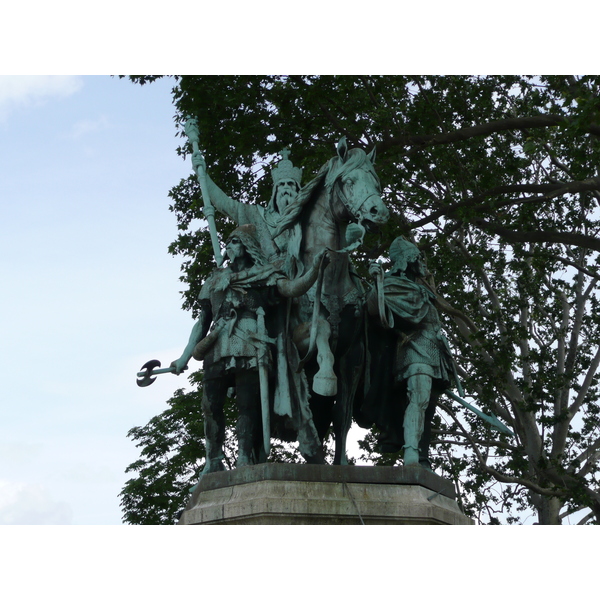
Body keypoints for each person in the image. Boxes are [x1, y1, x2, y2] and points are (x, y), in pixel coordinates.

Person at [171, 224, 327, 475]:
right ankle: (213, 458)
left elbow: (292, 288)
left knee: (247, 404)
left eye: (234, 242)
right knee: (210, 405)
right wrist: (184, 357)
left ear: (246, 246)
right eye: (227, 244)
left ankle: (244, 456)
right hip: (217, 345)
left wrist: (315, 270)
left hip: (251, 344)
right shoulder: (214, 279)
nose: (229, 248)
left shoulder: (264, 275)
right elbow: (202, 322)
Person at [360, 237, 458, 468]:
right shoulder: (393, 283)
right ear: (407, 260)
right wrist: (377, 283)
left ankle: (421, 455)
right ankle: (411, 454)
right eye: (417, 257)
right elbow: (375, 308)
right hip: (414, 350)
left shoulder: (421, 289)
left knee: (427, 407)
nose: (421, 262)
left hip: (434, 353)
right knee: (419, 399)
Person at [193, 148, 303, 271]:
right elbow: (225, 204)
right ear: (275, 191)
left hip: (305, 271)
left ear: (298, 189)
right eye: (281, 185)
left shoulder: (309, 217)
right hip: (268, 275)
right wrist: (203, 175)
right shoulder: (256, 214)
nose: (286, 188)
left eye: (290, 184)